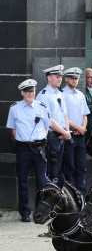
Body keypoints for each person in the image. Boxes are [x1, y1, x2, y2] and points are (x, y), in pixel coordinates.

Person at [7, 79, 49, 222]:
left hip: (38, 148)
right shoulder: (14, 108)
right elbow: (12, 130)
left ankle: (40, 212)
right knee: (23, 181)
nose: (30, 94)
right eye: (27, 91)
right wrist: (23, 140)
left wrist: (40, 140)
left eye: (32, 91)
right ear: (22, 93)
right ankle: (24, 212)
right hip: (23, 148)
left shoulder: (42, 107)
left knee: (42, 182)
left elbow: (47, 127)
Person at [37, 64, 71, 185]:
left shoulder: (59, 93)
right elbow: (49, 120)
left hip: (62, 136)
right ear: (49, 78)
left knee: (59, 170)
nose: (60, 79)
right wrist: (64, 132)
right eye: (57, 76)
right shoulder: (43, 95)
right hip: (52, 137)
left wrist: (66, 130)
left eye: (61, 76)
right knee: (52, 171)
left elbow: (65, 113)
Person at [62, 67, 90, 192]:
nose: (75, 80)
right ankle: (72, 195)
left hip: (81, 135)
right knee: (70, 167)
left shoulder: (80, 95)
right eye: (72, 78)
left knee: (82, 166)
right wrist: (78, 128)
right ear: (66, 79)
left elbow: (85, 114)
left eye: (77, 78)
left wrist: (83, 128)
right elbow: (63, 117)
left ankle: (82, 193)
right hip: (70, 135)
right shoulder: (62, 94)